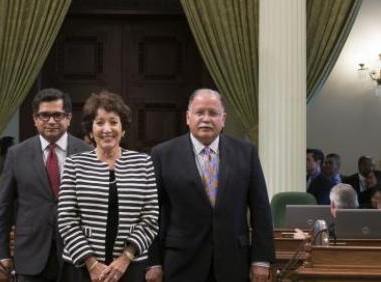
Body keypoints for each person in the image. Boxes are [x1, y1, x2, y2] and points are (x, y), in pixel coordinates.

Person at [146, 89, 275, 282]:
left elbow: (261, 208)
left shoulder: (245, 152)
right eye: (199, 112)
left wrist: (261, 260)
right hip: (181, 263)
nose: (206, 119)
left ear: (223, 119)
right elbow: (151, 212)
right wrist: (153, 262)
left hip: (233, 263)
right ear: (188, 117)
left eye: (213, 113)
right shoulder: (162, 154)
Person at [57, 91, 159, 282]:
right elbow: (66, 219)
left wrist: (125, 258)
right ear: (90, 129)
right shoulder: (74, 164)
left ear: (123, 128)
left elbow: (150, 217)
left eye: (113, 122)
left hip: (130, 266)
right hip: (81, 267)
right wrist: (92, 264)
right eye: (100, 122)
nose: (107, 129)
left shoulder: (143, 163)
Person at [0, 88, 92, 282]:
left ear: (69, 118)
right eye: (44, 115)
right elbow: (3, 208)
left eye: (57, 115)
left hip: (78, 255)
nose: (51, 121)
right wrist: (2, 254)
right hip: (30, 255)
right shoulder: (16, 154)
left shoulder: (87, 153)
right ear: (35, 119)